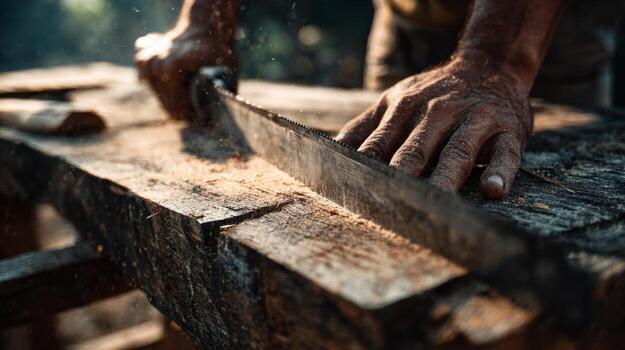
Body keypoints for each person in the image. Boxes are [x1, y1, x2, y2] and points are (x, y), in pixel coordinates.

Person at [135, 0, 624, 199]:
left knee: (549, 188)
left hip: (545, 23)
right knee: (394, 169)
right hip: (408, 13)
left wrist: (498, 60)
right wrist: (203, 19)